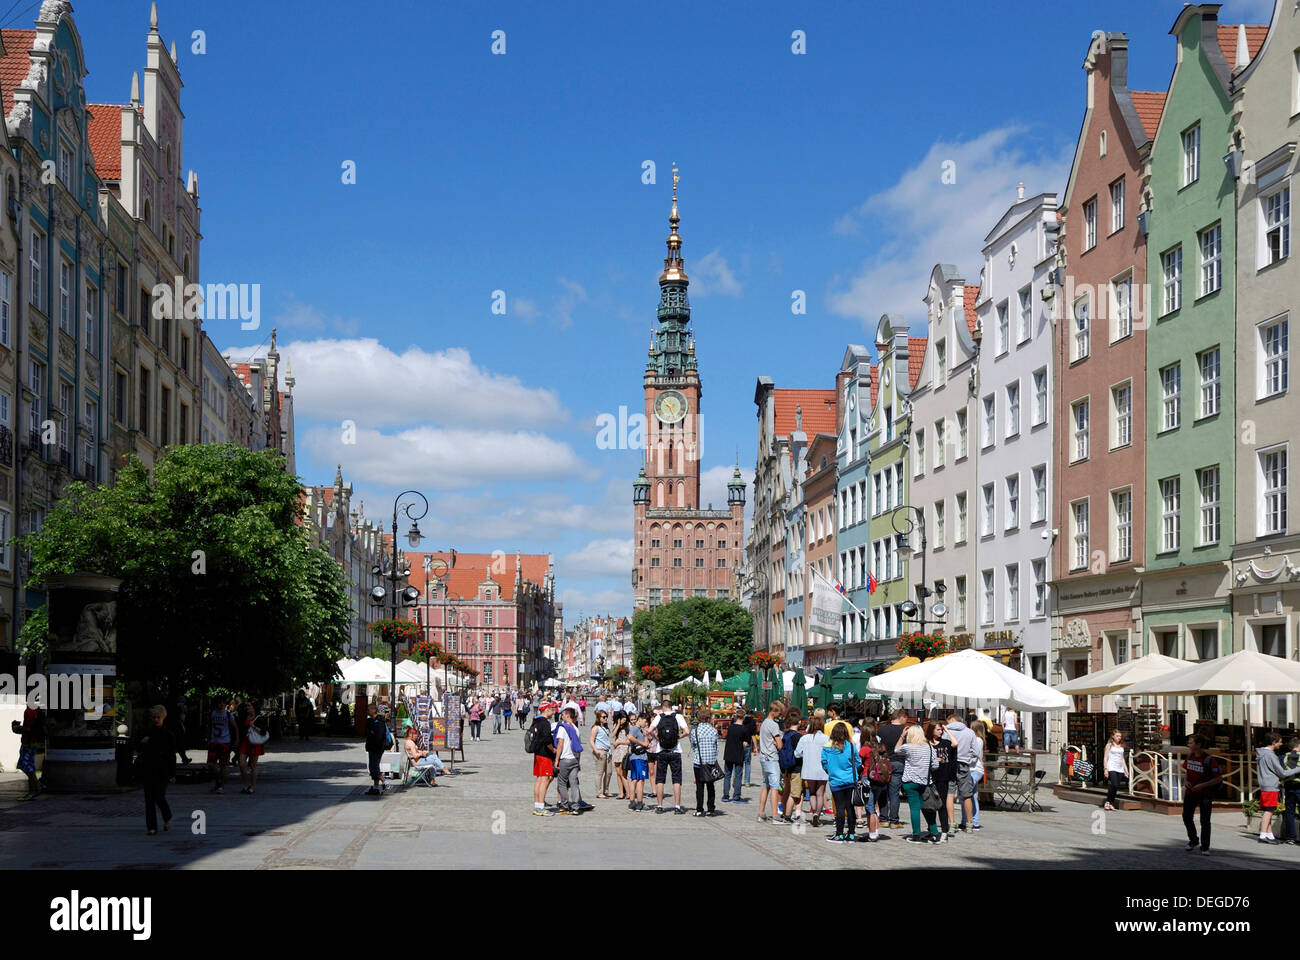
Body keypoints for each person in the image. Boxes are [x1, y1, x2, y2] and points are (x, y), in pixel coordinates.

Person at [897, 722, 940, 843]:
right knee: (928, 807)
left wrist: (901, 736)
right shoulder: (930, 747)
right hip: (925, 782)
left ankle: (916, 834)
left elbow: (896, 750)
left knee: (914, 808)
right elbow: (935, 765)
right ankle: (935, 832)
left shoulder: (908, 747)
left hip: (910, 781)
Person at [137, 705, 176, 835]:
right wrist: (142, 742)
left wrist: (172, 773)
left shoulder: (168, 734)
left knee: (159, 796)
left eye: (158, 717)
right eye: (153, 717)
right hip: (148, 768)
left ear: (163, 717)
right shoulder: (146, 732)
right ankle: (151, 827)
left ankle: (167, 816)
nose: (156, 719)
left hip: (162, 769)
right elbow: (137, 748)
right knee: (149, 799)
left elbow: (172, 755)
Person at [1181, 735, 1224, 855]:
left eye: (1190, 743)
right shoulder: (1189, 756)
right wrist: (1186, 781)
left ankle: (1205, 847)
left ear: (1198, 745)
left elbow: (1218, 778)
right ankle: (1194, 840)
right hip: (1190, 793)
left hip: (1205, 794)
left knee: (1205, 821)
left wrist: (1202, 785)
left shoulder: (1209, 759)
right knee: (1186, 817)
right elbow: (1187, 771)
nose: (1188, 745)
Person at [821, 720, 862, 843]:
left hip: (836, 781)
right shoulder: (851, 746)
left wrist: (831, 771)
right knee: (849, 807)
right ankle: (851, 834)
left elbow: (824, 763)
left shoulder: (827, 747)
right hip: (850, 780)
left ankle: (839, 834)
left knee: (839, 808)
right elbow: (858, 762)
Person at [1256, 730, 1297, 843]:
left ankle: (1269, 835)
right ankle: (1263, 835)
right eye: (1280, 742)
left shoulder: (1262, 754)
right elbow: (1282, 773)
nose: (1281, 744)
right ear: (1274, 742)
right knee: (1269, 811)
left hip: (1264, 784)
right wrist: (1298, 769)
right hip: (1271, 786)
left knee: (1269, 810)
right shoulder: (1271, 755)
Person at [652, 699, 690, 815]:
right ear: (671, 707)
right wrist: (679, 737)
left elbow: (649, 730)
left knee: (660, 779)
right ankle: (677, 806)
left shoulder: (659, 717)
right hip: (675, 751)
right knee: (676, 779)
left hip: (662, 751)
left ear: (663, 707)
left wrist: (657, 738)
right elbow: (687, 731)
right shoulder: (678, 716)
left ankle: (659, 806)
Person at [796, 716, 830, 828]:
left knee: (812, 793)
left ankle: (814, 811)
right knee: (820, 793)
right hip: (822, 769)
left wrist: (806, 755)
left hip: (808, 768)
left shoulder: (804, 738)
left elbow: (797, 753)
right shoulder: (826, 738)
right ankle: (817, 814)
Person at [859, 721, 890, 842]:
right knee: (874, 806)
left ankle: (872, 834)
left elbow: (857, 763)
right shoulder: (880, 747)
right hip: (879, 780)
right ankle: (875, 831)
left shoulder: (865, 749)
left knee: (869, 808)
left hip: (868, 779)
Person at [877, 709, 908, 828]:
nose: (906, 721)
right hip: (899, 762)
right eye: (906, 718)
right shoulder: (905, 731)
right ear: (901, 717)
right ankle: (894, 820)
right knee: (894, 793)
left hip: (884, 763)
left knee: (883, 792)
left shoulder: (881, 730)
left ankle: (883, 819)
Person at [926, 721, 956, 841]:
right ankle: (932, 829)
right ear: (931, 730)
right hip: (930, 778)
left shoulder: (945, 743)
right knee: (929, 805)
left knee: (942, 804)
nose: (940, 731)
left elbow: (955, 743)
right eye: (938, 729)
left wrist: (947, 730)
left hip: (943, 777)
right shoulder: (927, 744)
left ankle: (944, 830)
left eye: (941, 730)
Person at [757, 701, 785, 823]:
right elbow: (780, 745)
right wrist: (778, 742)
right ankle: (775, 815)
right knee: (774, 787)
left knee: (766, 786)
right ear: (774, 711)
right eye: (779, 712)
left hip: (763, 757)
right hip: (772, 758)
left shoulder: (764, 723)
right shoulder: (773, 725)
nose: (780, 715)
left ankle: (761, 812)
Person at [553, 707, 584, 814]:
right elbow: (578, 747)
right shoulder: (576, 729)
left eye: (563, 714)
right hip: (574, 759)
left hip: (565, 759)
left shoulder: (563, 728)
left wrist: (556, 759)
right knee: (574, 783)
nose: (561, 716)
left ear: (567, 715)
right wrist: (578, 762)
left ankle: (565, 804)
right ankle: (575, 807)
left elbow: (560, 744)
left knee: (562, 783)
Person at [690, 707, 720, 817]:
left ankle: (699, 809)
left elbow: (693, 745)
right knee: (711, 786)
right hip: (711, 763)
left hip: (699, 762)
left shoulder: (695, 731)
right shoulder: (714, 730)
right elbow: (717, 747)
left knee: (699, 786)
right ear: (708, 718)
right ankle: (711, 809)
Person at [529, 702, 558, 816]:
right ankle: (541, 807)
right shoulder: (545, 723)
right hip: (545, 754)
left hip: (537, 753)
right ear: (546, 710)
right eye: (551, 709)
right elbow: (547, 740)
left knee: (539, 780)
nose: (553, 711)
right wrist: (553, 750)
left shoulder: (536, 721)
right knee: (544, 780)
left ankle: (537, 805)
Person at [12, 702, 45, 800]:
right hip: (33, 742)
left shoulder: (29, 711)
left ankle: (33, 790)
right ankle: (37, 785)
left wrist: (17, 728)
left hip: (29, 743)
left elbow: (29, 729)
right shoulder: (36, 710)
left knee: (27, 767)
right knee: (24, 764)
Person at [722, 705, 754, 804]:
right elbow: (746, 743)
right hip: (739, 754)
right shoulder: (744, 729)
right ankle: (736, 796)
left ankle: (726, 795)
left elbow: (726, 738)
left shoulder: (731, 727)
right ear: (744, 717)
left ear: (736, 716)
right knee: (738, 775)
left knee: (727, 775)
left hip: (728, 754)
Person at [206, 699, 237, 794]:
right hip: (214, 741)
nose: (221, 705)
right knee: (210, 765)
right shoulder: (213, 714)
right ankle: (218, 781)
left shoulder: (228, 715)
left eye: (223, 703)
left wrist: (236, 740)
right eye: (220, 703)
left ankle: (221, 786)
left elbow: (235, 727)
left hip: (225, 742)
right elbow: (209, 726)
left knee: (223, 765)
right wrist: (208, 738)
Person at [778, 711, 804, 823]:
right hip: (796, 767)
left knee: (786, 791)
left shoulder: (786, 735)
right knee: (795, 794)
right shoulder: (798, 737)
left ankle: (784, 812)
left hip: (786, 767)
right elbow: (801, 753)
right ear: (799, 722)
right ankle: (788, 815)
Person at [364, 702, 393, 795]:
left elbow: (379, 737)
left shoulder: (379, 722)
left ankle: (386, 783)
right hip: (372, 748)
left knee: (373, 768)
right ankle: (376, 787)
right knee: (373, 767)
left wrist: (374, 744)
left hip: (377, 748)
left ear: (373, 710)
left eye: (368, 710)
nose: (367, 712)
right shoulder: (371, 721)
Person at [238, 706, 267, 795]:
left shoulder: (259, 718)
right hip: (245, 743)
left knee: (253, 765)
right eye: (247, 707)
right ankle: (247, 784)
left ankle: (252, 787)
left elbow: (263, 732)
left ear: (254, 708)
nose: (248, 708)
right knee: (242, 764)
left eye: (250, 707)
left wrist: (253, 726)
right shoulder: (244, 717)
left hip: (255, 743)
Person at [627, 715, 650, 810]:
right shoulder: (635, 728)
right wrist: (642, 743)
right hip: (639, 757)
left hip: (637, 757)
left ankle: (632, 802)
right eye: (645, 721)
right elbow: (630, 737)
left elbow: (646, 744)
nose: (646, 723)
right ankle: (639, 802)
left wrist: (645, 738)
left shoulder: (639, 730)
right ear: (640, 720)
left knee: (634, 779)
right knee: (640, 780)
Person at [589, 709, 614, 798]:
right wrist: (596, 750)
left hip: (608, 752)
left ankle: (606, 790)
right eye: (603, 717)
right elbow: (591, 740)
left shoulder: (606, 727)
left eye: (606, 716)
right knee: (600, 772)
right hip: (600, 751)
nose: (605, 718)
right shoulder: (596, 727)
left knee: (609, 772)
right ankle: (599, 792)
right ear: (598, 718)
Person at [1103, 730, 1130, 812]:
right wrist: (1105, 769)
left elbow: (1122, 758)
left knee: (1116, 786)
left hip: (1120, 767)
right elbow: (1105, 757)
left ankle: (1111, 803)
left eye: (1120, 736)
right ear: (1113, 736)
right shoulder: (1109, 745)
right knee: (1114, 784)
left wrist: (1126, 769)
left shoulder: (1121, 745)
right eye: (1117, 736)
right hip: (1111, 767)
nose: (1119, 738)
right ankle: (1107, 801)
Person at [1281, 736, 1300, 844]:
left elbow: (1280, 770)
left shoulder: (1284, 757)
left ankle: (1290, 837)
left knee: (1289, 812)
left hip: (1289, 786)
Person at [611, 712, 632, 800]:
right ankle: (621, 793)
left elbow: (629, 741)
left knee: (623, 773)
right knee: (618, 774)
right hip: (617, 750)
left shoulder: (629, 726)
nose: (624, 719)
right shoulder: (616, 725)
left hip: (624, 750)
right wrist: (618, 724)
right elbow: (612, 735)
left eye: (625, 718)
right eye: (622, 718)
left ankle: (628, 793)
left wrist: (619, 742)